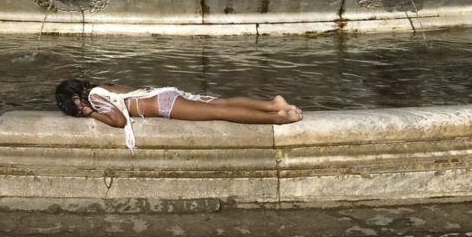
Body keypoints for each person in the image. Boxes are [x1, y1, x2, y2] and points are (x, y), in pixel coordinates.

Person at [55, 79, 302, 150]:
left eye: (75, 104)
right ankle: (272, 103)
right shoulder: (102, 86)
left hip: (164, 105)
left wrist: (90, 114)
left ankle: (277, 117)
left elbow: (118, 121)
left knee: (220, 112)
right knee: (221, 102)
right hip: (165, 94)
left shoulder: (94, 98)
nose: (78, 107)